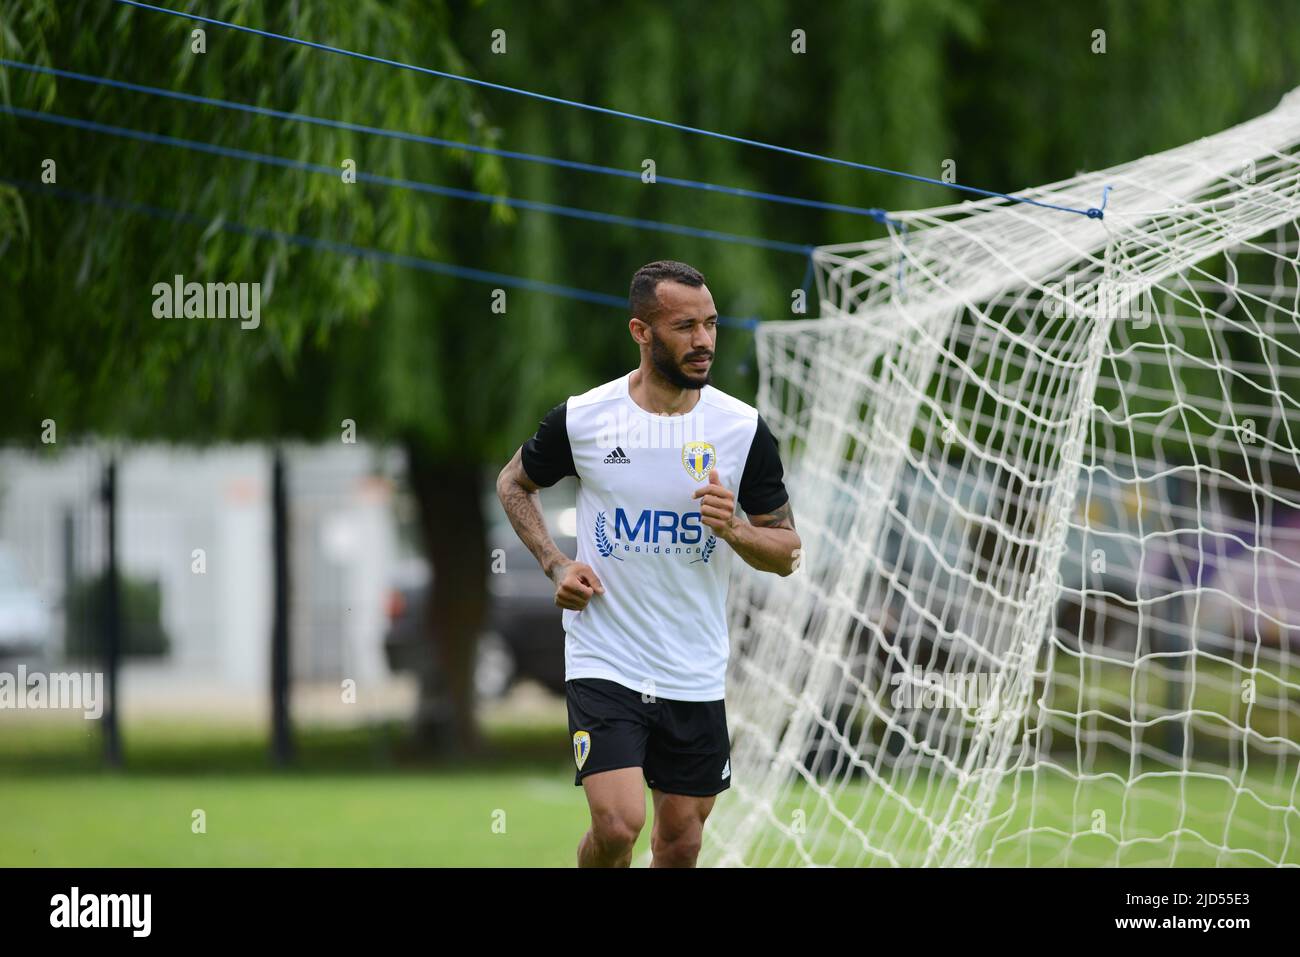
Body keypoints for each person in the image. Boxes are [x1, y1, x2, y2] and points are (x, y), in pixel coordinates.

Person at [495, 260, 800, 867]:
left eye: (711, 324)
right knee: (617, 825)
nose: (705, 340)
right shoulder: (584, 418)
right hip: (606, 656)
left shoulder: (741, 430)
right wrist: (557, 564)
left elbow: (786, 550)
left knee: (681, 841)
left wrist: (735, 530)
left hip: (693, 664)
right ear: (642, 331)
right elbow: (513, 483)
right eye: (685, 326)